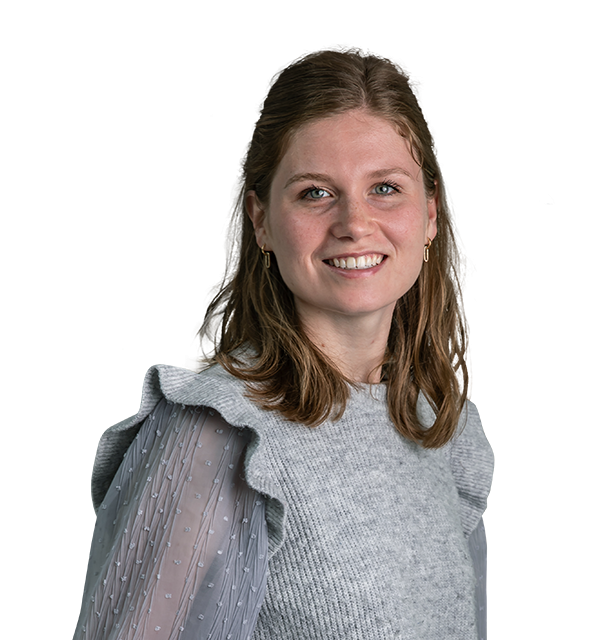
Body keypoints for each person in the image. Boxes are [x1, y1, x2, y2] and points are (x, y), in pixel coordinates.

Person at [75, 43, 494, 640]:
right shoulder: (217, 431)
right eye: (315, 192)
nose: (355, 223)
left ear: (429, 215)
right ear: (262, 220)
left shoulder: (445, 426)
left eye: (385, 188)